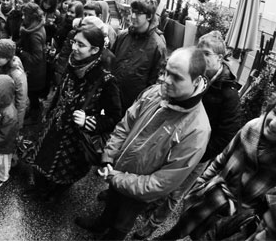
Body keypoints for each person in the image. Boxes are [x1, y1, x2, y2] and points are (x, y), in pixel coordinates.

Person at [75, 47, 211, 241]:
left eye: (177, 77)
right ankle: (101, 224)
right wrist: (108, 158)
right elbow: (126, 123)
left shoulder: (197, 131)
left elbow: (161, 183)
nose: (166, 80)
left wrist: (116, 177)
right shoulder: (156, 92)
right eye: (166, 72)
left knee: (123, 222)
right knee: (111, 204)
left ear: (196, 81)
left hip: (137, 192)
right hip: (116, 169)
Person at [135, 30, 242, 239]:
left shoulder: (228, 93)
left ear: (219, 58)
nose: (201, 57)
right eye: (199, 52)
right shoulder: (197, 75)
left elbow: (226, 133)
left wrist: (198, 153)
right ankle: (147, 206)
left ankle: (152, 225)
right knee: (160, 176)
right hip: (175, 139)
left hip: (198, 153)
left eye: (207, 54)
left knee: (176, 192)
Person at [158, 88, 276, 241]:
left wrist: (243, 220)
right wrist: (200, 183)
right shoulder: (252, 127)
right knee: (175, 232)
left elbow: (275, 209)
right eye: (275, 112)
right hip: (210, 197)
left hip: (232, 221)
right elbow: (223, 158)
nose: (273, 122)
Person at [25, 25, 122, 203]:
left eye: (81, 45)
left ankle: (55, 194)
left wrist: (89, 121)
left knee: (64, 173)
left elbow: (114, 117)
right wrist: (50, 110)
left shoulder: (106, 80)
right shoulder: (72, 64)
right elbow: (61, 91)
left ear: (94, 50)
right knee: (41, 160)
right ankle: (40, 190)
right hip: (55, 126)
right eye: (74, 42)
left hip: (75, 140)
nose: (74, 48)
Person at [112, 0, 167, 115]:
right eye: (132, 12)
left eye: (138, 13)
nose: (132, 16)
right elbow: (112, 62)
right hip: (113, 99)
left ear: (149, 16)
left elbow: (156, 83)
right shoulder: (122, 36)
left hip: (135, 106)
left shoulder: (158, 46)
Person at [17, 3, 46, 124]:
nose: (23, 18)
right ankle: (35, 110)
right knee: (32, 94)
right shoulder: (35, 27)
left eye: (25, 15)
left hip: (34, 72)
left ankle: (35, 116)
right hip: (35, 70)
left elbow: (36, 58)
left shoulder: (35, 34)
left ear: (31, 16)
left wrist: (21, 51)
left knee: (32, 94)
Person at [0, 39, 28, 129]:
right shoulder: (1, 65)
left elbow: (21, 101)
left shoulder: (17, 76)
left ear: (8, 58)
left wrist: (17, 125)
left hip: (9, 112)